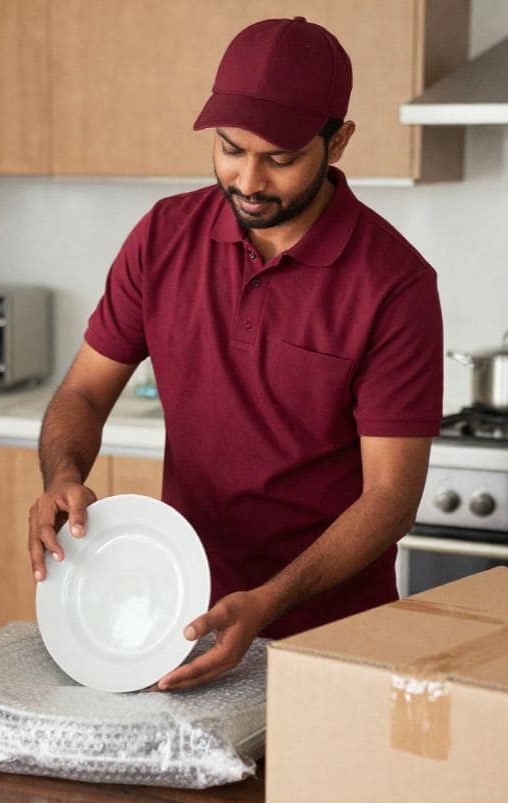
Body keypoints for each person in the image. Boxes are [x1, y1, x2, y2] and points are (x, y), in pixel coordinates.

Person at [27, 17, 443, 690]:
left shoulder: (394, 284)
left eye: (279, 158)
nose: (248, 180)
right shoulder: (163, 237)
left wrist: (270, 602)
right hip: (177, 619)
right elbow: (82, 394)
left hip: (334, 637)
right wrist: (62, 475)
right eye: (230, 149)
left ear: (337, 141)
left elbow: (391, 497)